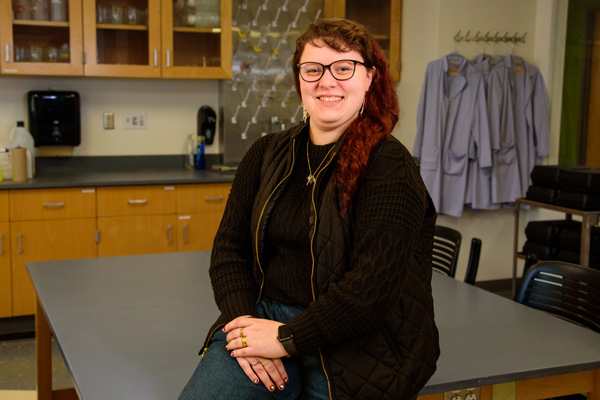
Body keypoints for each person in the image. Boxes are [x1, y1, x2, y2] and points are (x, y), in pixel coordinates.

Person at [178, 18, 439, 400]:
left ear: (369, 78)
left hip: (359, 343)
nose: (327, 81)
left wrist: (285, 339)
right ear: (299, 79)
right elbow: (229, 250)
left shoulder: (389, 166)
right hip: (264, 319)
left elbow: (371, 290)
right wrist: (245, 325)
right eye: (313, 69)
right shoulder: (265, 153)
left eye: (343, 68)